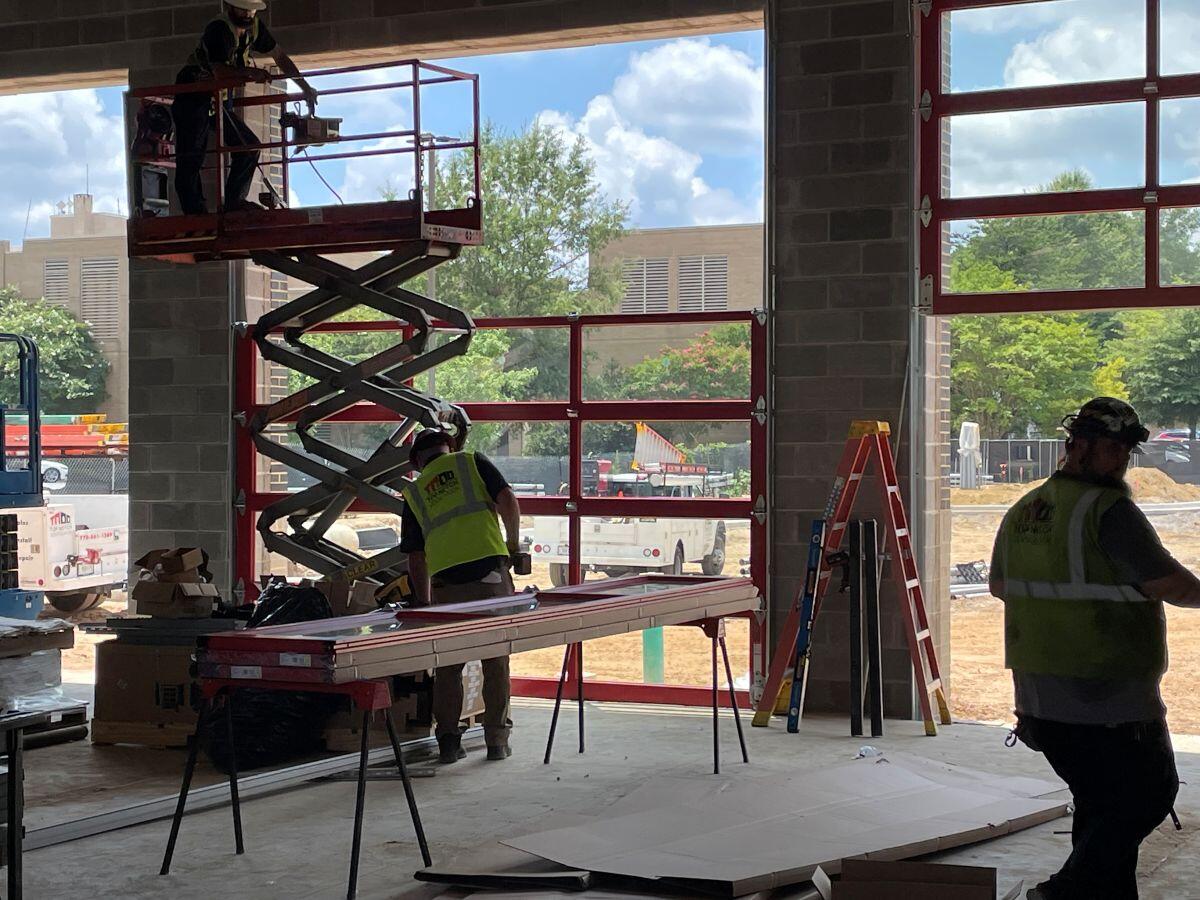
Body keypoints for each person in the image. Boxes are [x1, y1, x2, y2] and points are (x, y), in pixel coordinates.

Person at [990, 397, 1200, 900]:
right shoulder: (1109, 511)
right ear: (1082, 446)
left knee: (1099, 805)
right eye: (1114, 449)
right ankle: (1063, 891)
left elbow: (999, 585)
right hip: (1109, 697)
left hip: (1039, 698)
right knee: (1148, 795)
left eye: (1125, 451)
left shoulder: (1025, 509)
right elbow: (1170, 584)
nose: (1121, 461)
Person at [400, 429, 523, 764]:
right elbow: (508, 499)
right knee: (496, 661)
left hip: (446, 585)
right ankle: (497, 741)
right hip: (490, 576)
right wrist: (513, 546)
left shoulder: (415, 492)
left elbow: (416, 557)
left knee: (448, 666)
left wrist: (424, 602)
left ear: (417, 462)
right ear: (450, 446)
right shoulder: (471, 462)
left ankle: (448, 743)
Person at [172, 0, 318, 214]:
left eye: (251, 10)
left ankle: (234, 203)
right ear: (230, 6)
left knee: (249, 146)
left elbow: (280, 57)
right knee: (192, 155)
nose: (248, 14)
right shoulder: (219, 29)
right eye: (243, 9)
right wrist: (250, 73)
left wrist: (305, 87)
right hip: (193, 96)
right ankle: (195, 213)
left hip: (216, 99)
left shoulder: (255, 27)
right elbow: (219, 71)